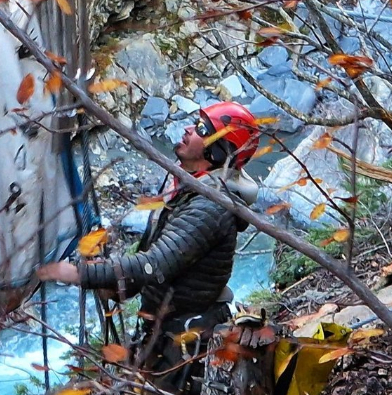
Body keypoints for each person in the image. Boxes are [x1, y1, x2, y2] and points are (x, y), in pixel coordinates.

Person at [38, 102, 261, 394]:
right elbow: (155, 252)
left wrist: (79, 273)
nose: (188, 129)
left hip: (185, 339)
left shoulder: (210, 207)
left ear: (218, 151)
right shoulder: (187, 191)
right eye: (195, 123)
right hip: (168, 331)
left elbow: (156, 264)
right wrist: (120, 286)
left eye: (202, 129)